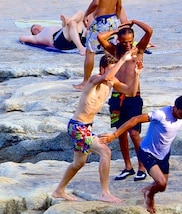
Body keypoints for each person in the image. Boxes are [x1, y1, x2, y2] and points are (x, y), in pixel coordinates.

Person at [101, 95, 182, 214]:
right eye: (181, 114)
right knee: (161, 182)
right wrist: (115, 135)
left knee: (162, 187)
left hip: (164, 154)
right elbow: (135, 119)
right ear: (175, 107)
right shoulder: (161, 114)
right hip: (148, 152)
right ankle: (149, 196)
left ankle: (147, 190)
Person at [51, 51, 136, 203]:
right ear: (102, 69)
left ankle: (59, 190)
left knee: (78, 163)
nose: (111, 72)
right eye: (109, 69)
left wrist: (137, 74)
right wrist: (123, 59)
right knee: (105, 152)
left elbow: (131, 91)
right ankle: (104, 193)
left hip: (86, 127)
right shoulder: (94, 79)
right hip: (77, 126)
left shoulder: (111, 82)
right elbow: (107, 77)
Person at [96, 20, 153, 181]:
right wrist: (116, 31)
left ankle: (142, 167)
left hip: (134, 97)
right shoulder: (116, 51)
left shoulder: (138, 50)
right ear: (119, 41)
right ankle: (128, 166)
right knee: (120, 133)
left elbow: (149, 31)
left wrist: (134, 22)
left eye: (130, 41)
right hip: (116, 98)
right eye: (124, 41)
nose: (128, 44)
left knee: (134, 134)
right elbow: (100, 37)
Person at [74, 0, 129, 89]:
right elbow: (119, 7)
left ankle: (85, 82)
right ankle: (111, 78)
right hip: (113, 20)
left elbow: (96, 3)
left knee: (90, 51)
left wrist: (86, 14)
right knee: (108, 50)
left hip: (101, 22)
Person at [18, 10, 86, 53]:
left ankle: (69, 20)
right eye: (34, 29)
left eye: (37, 26)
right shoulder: (36, 37)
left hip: (73, 37)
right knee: (72, 23)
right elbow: (21, 38)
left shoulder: (49, 27)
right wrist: (32, 37)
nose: (36, 28)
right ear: (33, 34)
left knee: (80, 13)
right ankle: (81, 48)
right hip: (60, 42)